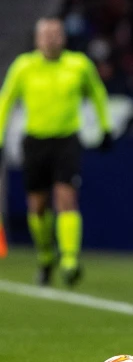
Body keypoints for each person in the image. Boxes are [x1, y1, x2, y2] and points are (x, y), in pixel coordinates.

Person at [0, 17, 113, 287]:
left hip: (66, 140)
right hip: (35, 141)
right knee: (38, 206)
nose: (51, 39)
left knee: (66, 197)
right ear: (37, 39)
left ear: (63, 37)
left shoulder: (79, 65)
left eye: (55, 33)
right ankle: (46, 255)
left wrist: (105, 128)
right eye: (46, 34)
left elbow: (97, 93)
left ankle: (69, 261)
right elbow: (6, 100)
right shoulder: (24, 66)